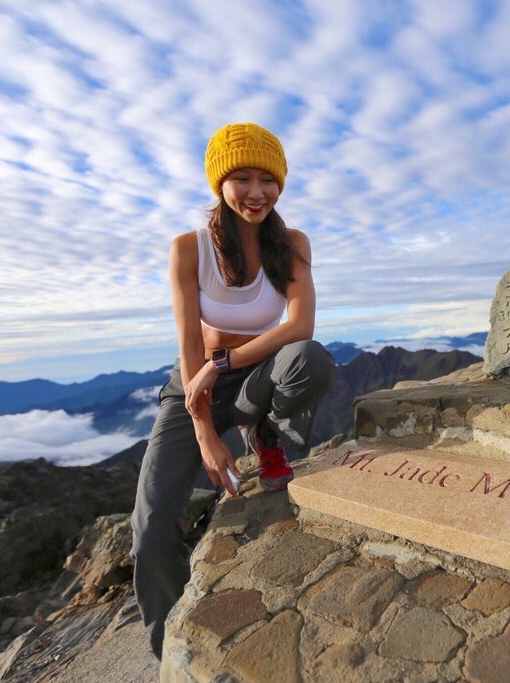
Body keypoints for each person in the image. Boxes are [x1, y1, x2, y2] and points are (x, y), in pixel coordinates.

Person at [130, 122, 334, 660]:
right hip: (192, 388)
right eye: (241, 177)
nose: (256, 192)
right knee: (150, 528)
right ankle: (167, 652)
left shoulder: (291, 245)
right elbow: (188, 350)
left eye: (268, 179)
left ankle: (263, 431)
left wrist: (224, 362)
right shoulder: (188, 250)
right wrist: (203, 432)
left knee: (310, 361)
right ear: (219, 183)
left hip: (256, 375)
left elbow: (299, 329)